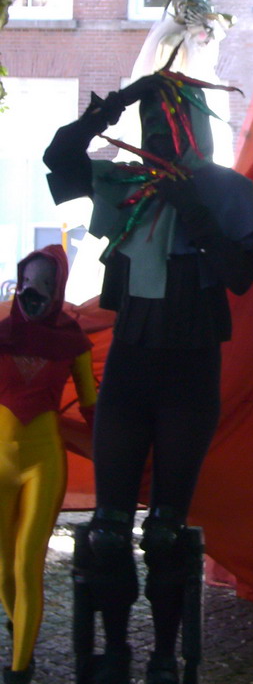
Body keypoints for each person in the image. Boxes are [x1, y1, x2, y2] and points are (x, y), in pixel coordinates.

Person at [43, 69, 253, 684]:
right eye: (149, 119)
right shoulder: (124, 183)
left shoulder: (228, 190)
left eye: (166, 118)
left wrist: (197, 217)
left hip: (191, 367)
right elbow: (57, 155)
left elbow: (245, 273)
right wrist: (114, 104)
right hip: (132, 364)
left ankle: (165, 657)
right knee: (110, 531)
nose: (157, 131)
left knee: (167, 530)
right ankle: (115, 654)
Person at [0, 245, 97, 684]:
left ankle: (20, 670)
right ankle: (19, 624)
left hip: (44, 463)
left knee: (26, 565)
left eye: (43, 286)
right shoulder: (1, 334)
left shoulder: (71, 343)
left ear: (57, 290)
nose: (31, 294)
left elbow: (92, 405)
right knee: (2, 567)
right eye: (26, 285)